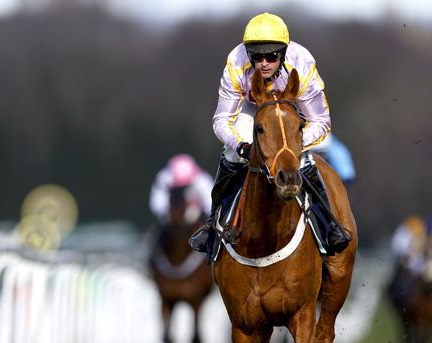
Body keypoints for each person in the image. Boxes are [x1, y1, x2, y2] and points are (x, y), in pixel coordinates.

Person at [188, 12, 351, 256]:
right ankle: (213, 224)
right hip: (251, 109)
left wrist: (292, 144)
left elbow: (321, 120)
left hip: (289, 110)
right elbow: (222, 119)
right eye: (257, 56)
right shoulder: (236, 62)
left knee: (302, 157)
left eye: (271, 56)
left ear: (283, 53)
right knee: (231, 153)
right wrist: (240, 145)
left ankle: (327, 225)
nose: (264, 62)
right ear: (248, 54)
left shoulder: (302, 62)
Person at [149, 153, 213, 225]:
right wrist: (165, 215)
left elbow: (210, 202)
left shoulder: (201, 180)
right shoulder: (164, 178)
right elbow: (158, 204)